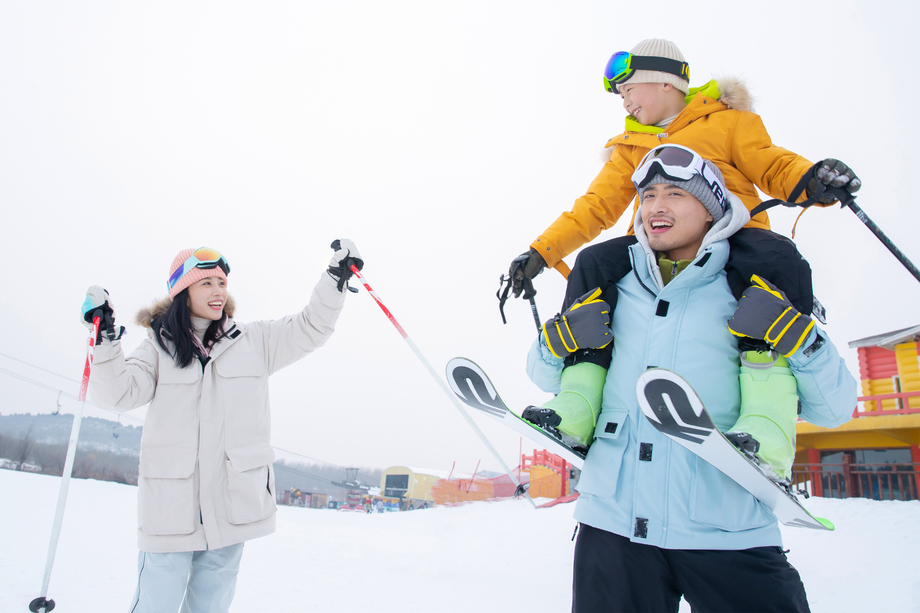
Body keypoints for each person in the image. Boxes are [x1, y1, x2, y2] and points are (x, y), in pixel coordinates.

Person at [526, 146, 856, 611]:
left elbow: (835, 407)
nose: (657, 206)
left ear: (711, 208)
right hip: (613, 527)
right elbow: (543, 378)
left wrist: (800, 337)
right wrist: (555, 341)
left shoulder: (751, 280)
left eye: (676, 193)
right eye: (649, 194)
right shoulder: (612, 279)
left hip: (727, 531)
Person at [83, 240, 363, 613]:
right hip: (171, 509)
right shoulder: (157, 349)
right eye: (207, 283)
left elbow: (310, 327)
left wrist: (334, 280)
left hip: (231, 507)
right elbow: (117, 394)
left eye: (222, 283)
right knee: (157, 602)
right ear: (183, 292)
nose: (218, 291)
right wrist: (103, 341)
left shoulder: (255, 341)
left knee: (211, 607)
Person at [507, 38, 860, 290]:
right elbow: (597, 206)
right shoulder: (631, 148)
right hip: (654, 243)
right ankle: (583, 373)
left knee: (778, 258)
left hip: (733, 236)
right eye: (621, 95)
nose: (624, 101)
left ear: (665, 82)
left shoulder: (726, 122)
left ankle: (772, 367)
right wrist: (542, 251)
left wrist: (813, 178)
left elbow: (772, 165)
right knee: (594, 264)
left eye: (629, 89)